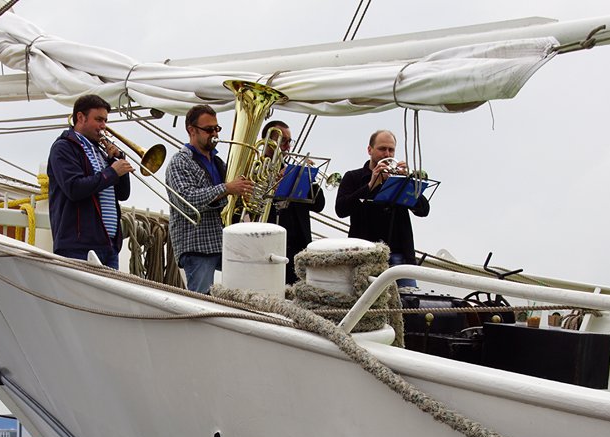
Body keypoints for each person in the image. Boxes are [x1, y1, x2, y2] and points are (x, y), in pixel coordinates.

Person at [166, 104, 254, 294]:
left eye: (216, 129)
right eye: (208, 130)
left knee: (246, 289)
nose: (214, 134)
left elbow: (228, 201)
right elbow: (186, 201)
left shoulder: (219, 162)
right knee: (201, 302)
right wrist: (227, 188)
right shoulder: (179, 161)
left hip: (223, 241)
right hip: (197, 245)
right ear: (191, 130)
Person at [47, 94, 134, 269]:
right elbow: (74, 188)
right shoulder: (63, 147)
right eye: (99, 119)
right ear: (80, 117)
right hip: (79, 245)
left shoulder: (101, 152)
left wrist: (117, 162)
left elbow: (123, 195)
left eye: (105, 120)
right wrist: (111, 172)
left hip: (108, 244)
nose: (103, 126)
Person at [335, 129, 430, 288]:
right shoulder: (353, 177)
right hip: (365, 257)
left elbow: (423, 210)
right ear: (369, 150)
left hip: (400, 256)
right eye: (382, 149)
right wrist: (371, 185)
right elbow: (341, 209)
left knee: (407, 304)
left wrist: (408, 182)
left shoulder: (400, 179)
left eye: (391, 150)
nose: (387, 154)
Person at [261, 120, 325, 285]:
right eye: (283, 141)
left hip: (299, 247)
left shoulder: (294, 169)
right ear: (268, 141)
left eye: (290, 141)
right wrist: (273, 183)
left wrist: (309, 177)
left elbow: (319, 205)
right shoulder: (257, 169)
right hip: (270, 245)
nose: (288, 147)